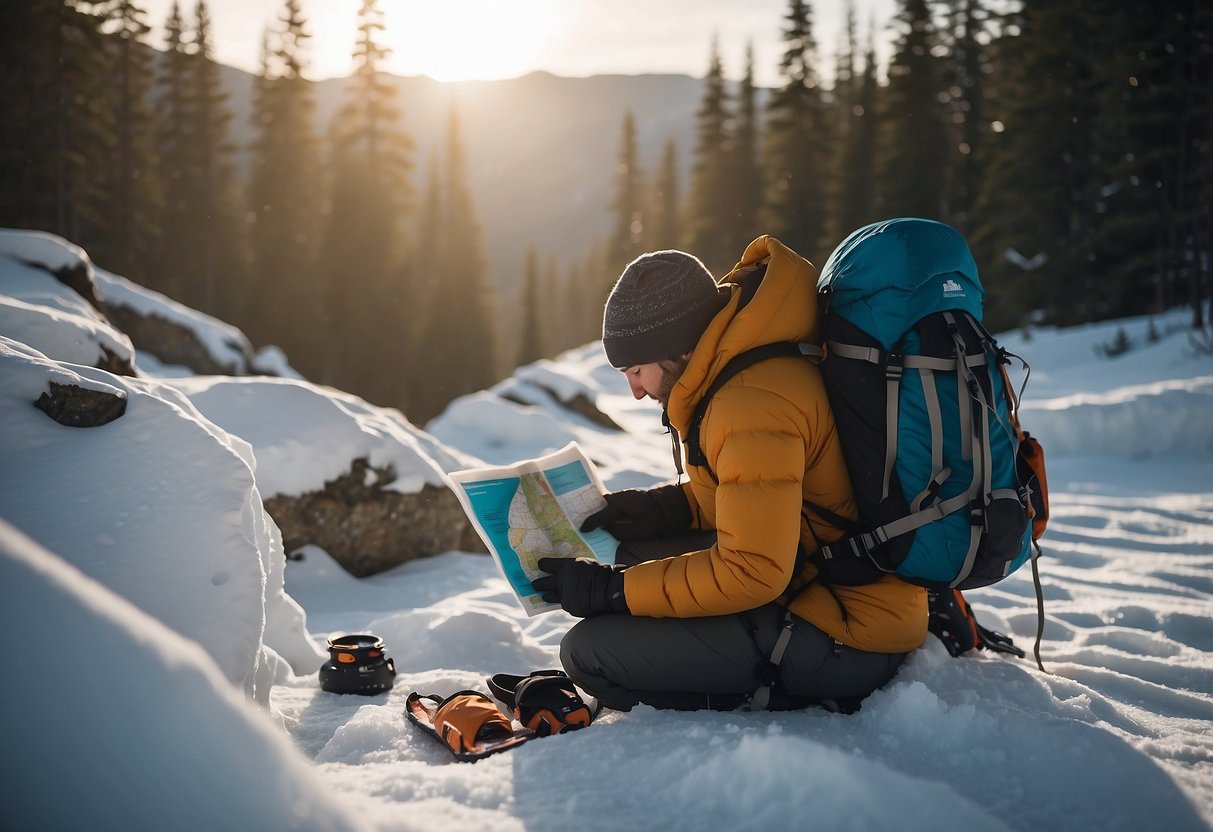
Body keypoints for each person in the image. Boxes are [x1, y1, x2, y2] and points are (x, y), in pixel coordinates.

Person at [532, 238, 927, 712]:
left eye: (636, 370)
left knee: (589, 652)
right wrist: (659, 510)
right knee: (626, 551)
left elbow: (753, 570)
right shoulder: (739, 364)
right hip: (811, 573)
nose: (636, 391)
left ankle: (763, 693)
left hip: (850, 628)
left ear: (674, 349)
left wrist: (614, 591)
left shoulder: (749, 404)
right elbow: (759, 502)